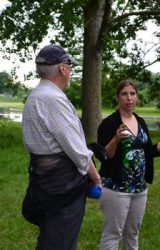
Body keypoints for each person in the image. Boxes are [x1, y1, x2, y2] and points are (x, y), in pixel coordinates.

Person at [21, 44, 101, 249]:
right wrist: (96, 178)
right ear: (63, 69)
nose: (71, 72)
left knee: (51, 238)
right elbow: (78, 151)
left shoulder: (35, 96)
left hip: (44, 184)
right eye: (70, 67)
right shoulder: (53, 99)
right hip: (63, 190)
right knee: (60, 242)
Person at [97, 80, 160, 250]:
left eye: (132, 94)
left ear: (137, 97)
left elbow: (148, 152)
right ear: (118, 97)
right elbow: (105, 155)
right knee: (112, 234)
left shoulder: (140, 121)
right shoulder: (109, 123)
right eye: (124, 94)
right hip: (116, 188)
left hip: (139, 189)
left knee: (132, 233)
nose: (129, 98)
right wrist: (116, 139)